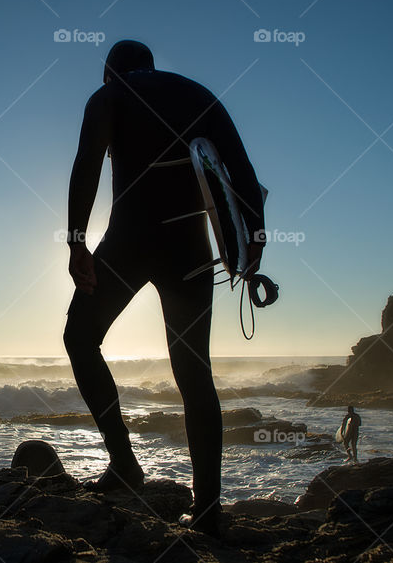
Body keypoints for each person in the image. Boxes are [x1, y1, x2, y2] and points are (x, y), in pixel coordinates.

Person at [62, 40, 266, 534]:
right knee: (195, 374)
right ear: (150, 64)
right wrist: (251, 248)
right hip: (190, 250)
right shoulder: (199, 95)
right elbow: (244, 176)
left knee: (80, 339)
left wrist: (76, 242)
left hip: (129, 241)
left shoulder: (109, 95)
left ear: (112, 70)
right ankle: (209, 508)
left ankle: (126, 465)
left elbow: (88, 162)